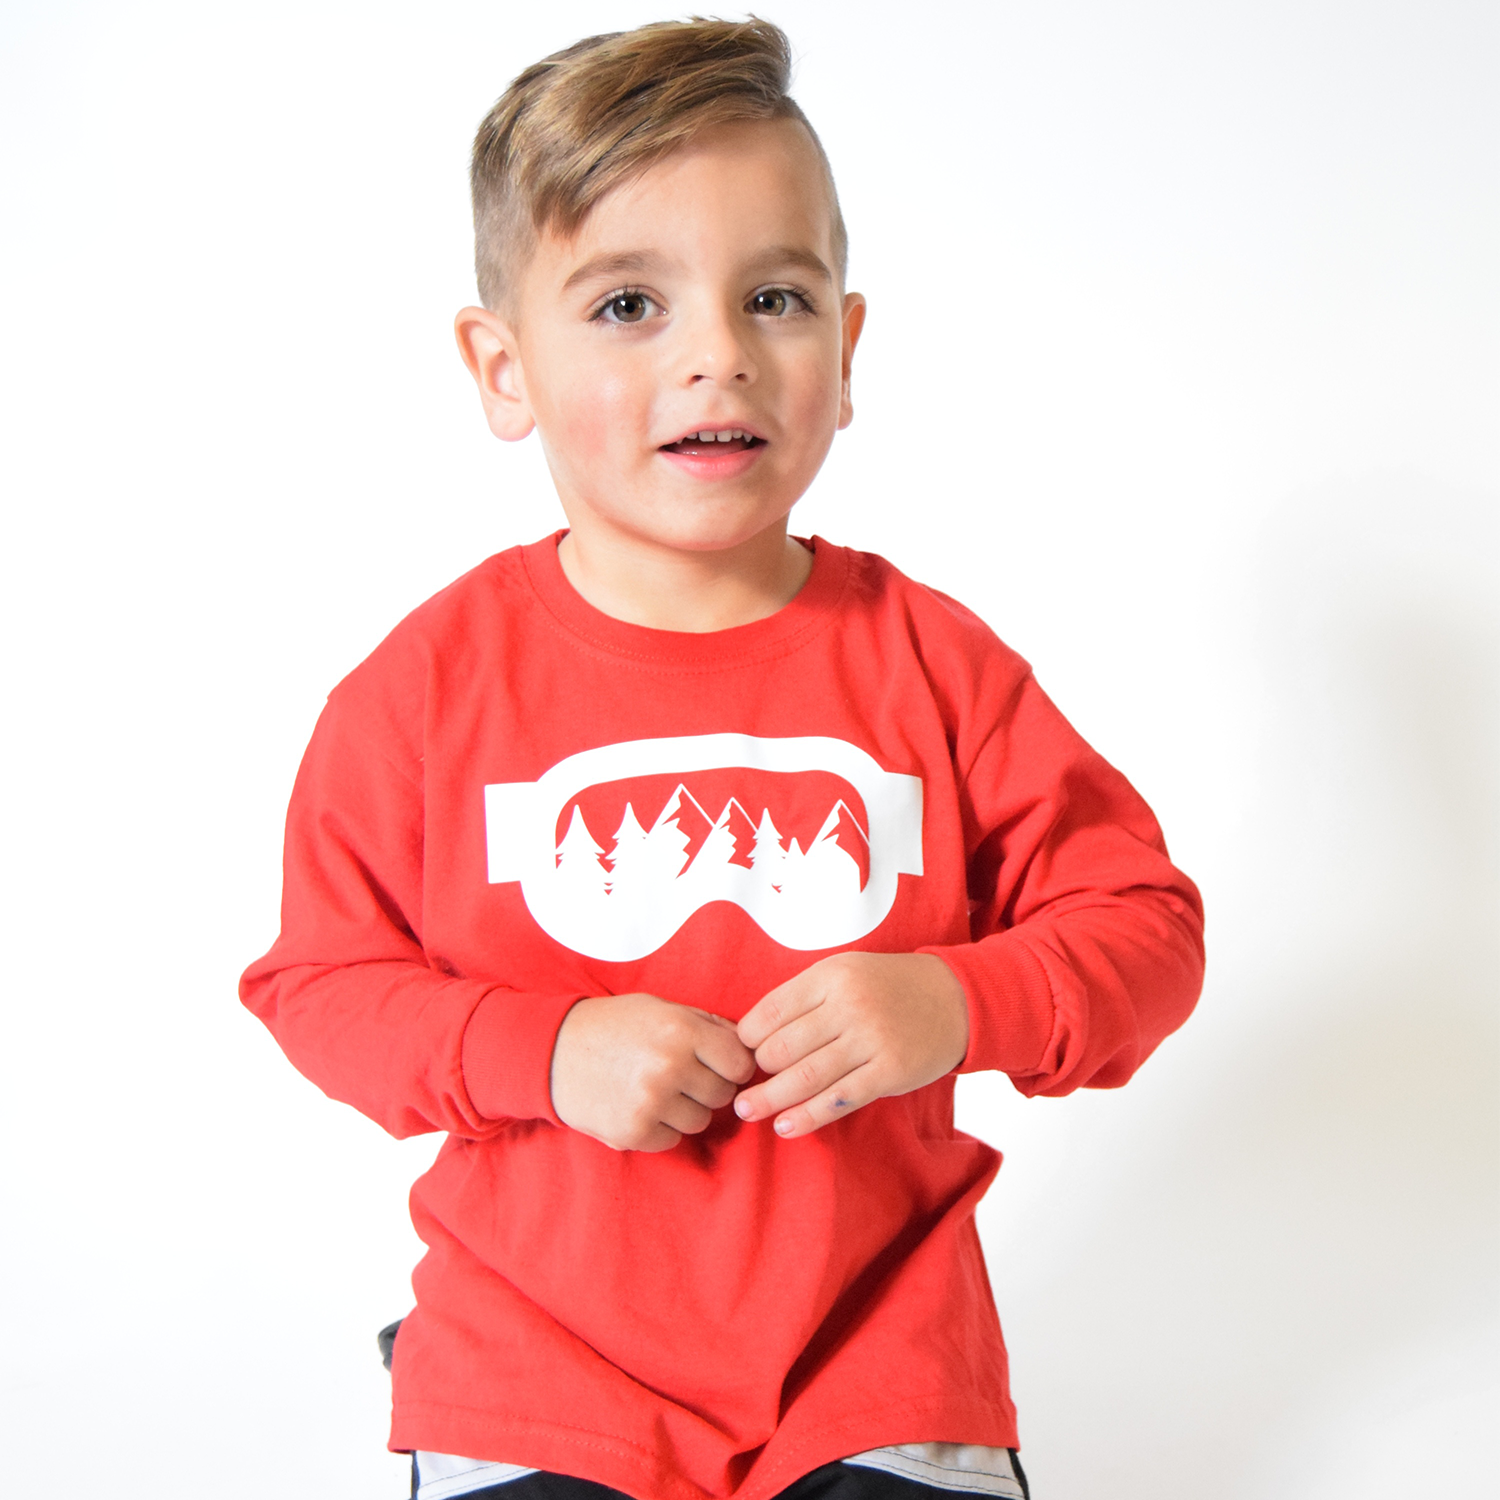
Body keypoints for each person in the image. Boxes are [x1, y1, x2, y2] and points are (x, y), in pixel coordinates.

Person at [240, 18, 1205, 1500]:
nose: (719, 355)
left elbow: (1146, 934)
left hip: (878, 1364)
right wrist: (539, 1052)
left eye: (775, 297)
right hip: (533, 1374)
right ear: (502, 368)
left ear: (847, 349)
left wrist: (959, 1000)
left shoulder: (938, 664)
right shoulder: (424, 688)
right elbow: (319, 986)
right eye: (629, 303)